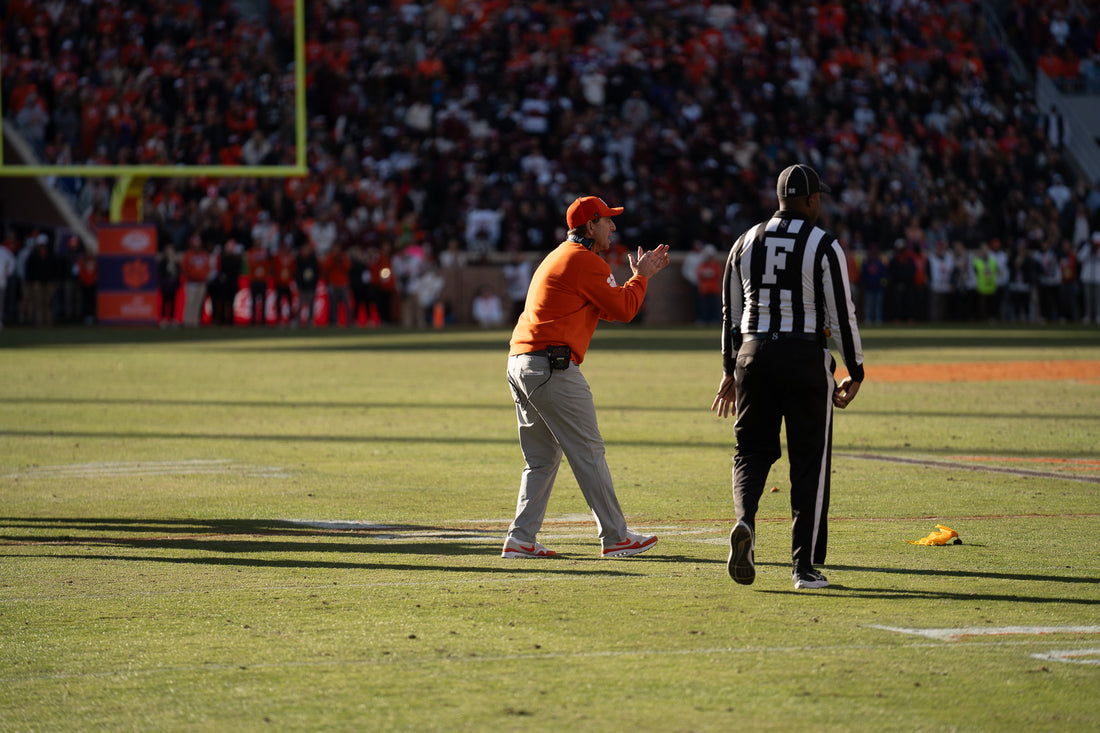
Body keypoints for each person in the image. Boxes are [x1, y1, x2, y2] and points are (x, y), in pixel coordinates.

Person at [712, 164, 865, 590]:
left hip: (754, 354)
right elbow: (841, 312)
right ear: (812, 200)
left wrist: (730, 369)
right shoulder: (824, 244)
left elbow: (731, 315)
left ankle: (745, 523)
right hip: (803, 355)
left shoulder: (744, 242)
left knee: (750, 451)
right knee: (809, 463)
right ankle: (804, 568)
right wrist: (855, 369)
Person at [502, 195, 670, 560]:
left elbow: (608, 309)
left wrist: (634, 281)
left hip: (523, 363)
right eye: (607, 220)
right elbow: (624, 311)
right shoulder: (584, 261)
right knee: (588, 452)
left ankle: (521, 539)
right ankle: (616, 537)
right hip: (551, 366)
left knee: (542, 459)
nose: (613, 226)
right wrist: (641, 276)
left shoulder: (563, 255)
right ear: (590, 225)